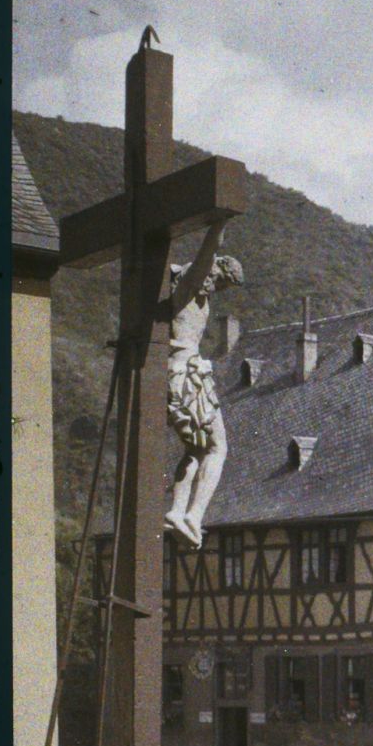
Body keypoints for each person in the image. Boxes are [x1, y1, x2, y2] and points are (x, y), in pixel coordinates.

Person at [162, 222, 242, 549]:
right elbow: (207, 250)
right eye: (220, 282)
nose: (218, 290)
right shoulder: (188, 288)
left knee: (196, 448)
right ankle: (194, 515)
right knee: (218, 447)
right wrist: (220, 220)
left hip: (177, 373)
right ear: (212, 271)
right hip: (187, 374)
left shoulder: (193, 294)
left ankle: (178, 512)